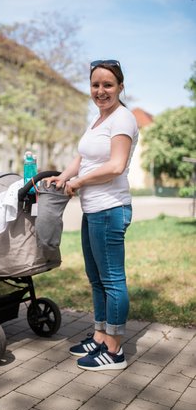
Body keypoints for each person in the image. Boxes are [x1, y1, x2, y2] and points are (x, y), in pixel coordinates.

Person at [46, 59, 139, 371]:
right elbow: (82, 157)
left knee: (112, 280)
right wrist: (63, 176)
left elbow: (116, 166)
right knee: (96, 278)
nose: (101, 91)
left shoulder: (122, 119)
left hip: (110, 209)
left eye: (108, 85)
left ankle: (114, 350)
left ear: (120, 87)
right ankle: (100, 336)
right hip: (93, 209)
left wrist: (79, 182)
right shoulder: (99, 120)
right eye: (96, 85)